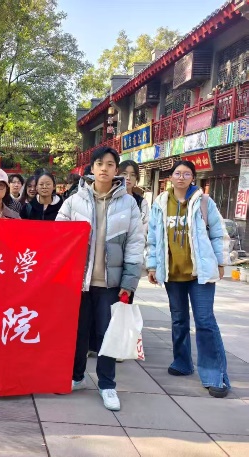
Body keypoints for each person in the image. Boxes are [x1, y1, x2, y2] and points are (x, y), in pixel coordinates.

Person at [56, 146, 144, 411]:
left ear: (116, 170)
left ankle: (107, 385)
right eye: (99, 164)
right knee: (78, 332)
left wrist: (129, 283)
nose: (104, 168)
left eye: (109, 164)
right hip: (79, 282)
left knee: (107, 334)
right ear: (92, 168)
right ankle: (77, 377)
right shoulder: (74, 201)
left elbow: (135, 244)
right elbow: (58, 237)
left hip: (110, 283)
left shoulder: (128, 203)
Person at [146, 160, 230, 398]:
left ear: (193, 177)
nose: (181, 177)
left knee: (205, 321)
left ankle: (215, 375)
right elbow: (153, 236)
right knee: (179, 320)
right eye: (177, 173)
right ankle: (182, 362)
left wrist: (220, 262)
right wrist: (152, 265)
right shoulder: (161, 203)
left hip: (199, 273)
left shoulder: (204, 201)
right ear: (170, 177)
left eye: (186, 174)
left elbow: (218, 233)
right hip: (173, 273)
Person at [119, 160, 149, 236]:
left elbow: (145, 227)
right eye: (124, 173)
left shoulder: (141, 202)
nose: (128, 178)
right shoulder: (110, 197)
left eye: (132, 175)